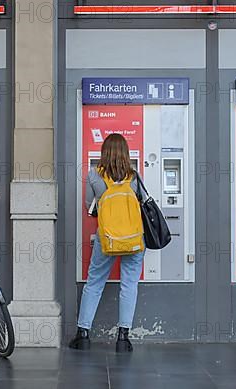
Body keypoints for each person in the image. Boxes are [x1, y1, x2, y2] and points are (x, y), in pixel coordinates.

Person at [69, 133, 146, 353]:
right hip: (133, 239)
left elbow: (89, 208)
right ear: (125, 153)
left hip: (107, 238)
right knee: (129, 285)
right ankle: (123, 338)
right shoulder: (134, 176)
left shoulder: (94, 175)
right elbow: (142, 205)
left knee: (94, 283)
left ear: (103, 153)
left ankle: (83, 335)